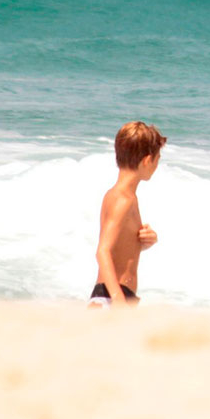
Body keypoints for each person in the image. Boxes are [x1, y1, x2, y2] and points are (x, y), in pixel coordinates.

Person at [89, 121, 165, 308]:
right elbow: (103, 251)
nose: (156, 166)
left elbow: (121, 248)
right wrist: (119, 299)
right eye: (157, 160)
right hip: (111, 297)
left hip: (114, 296)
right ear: (148, 161)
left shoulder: (121, 196)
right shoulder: (124, 200)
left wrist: (144, 241)